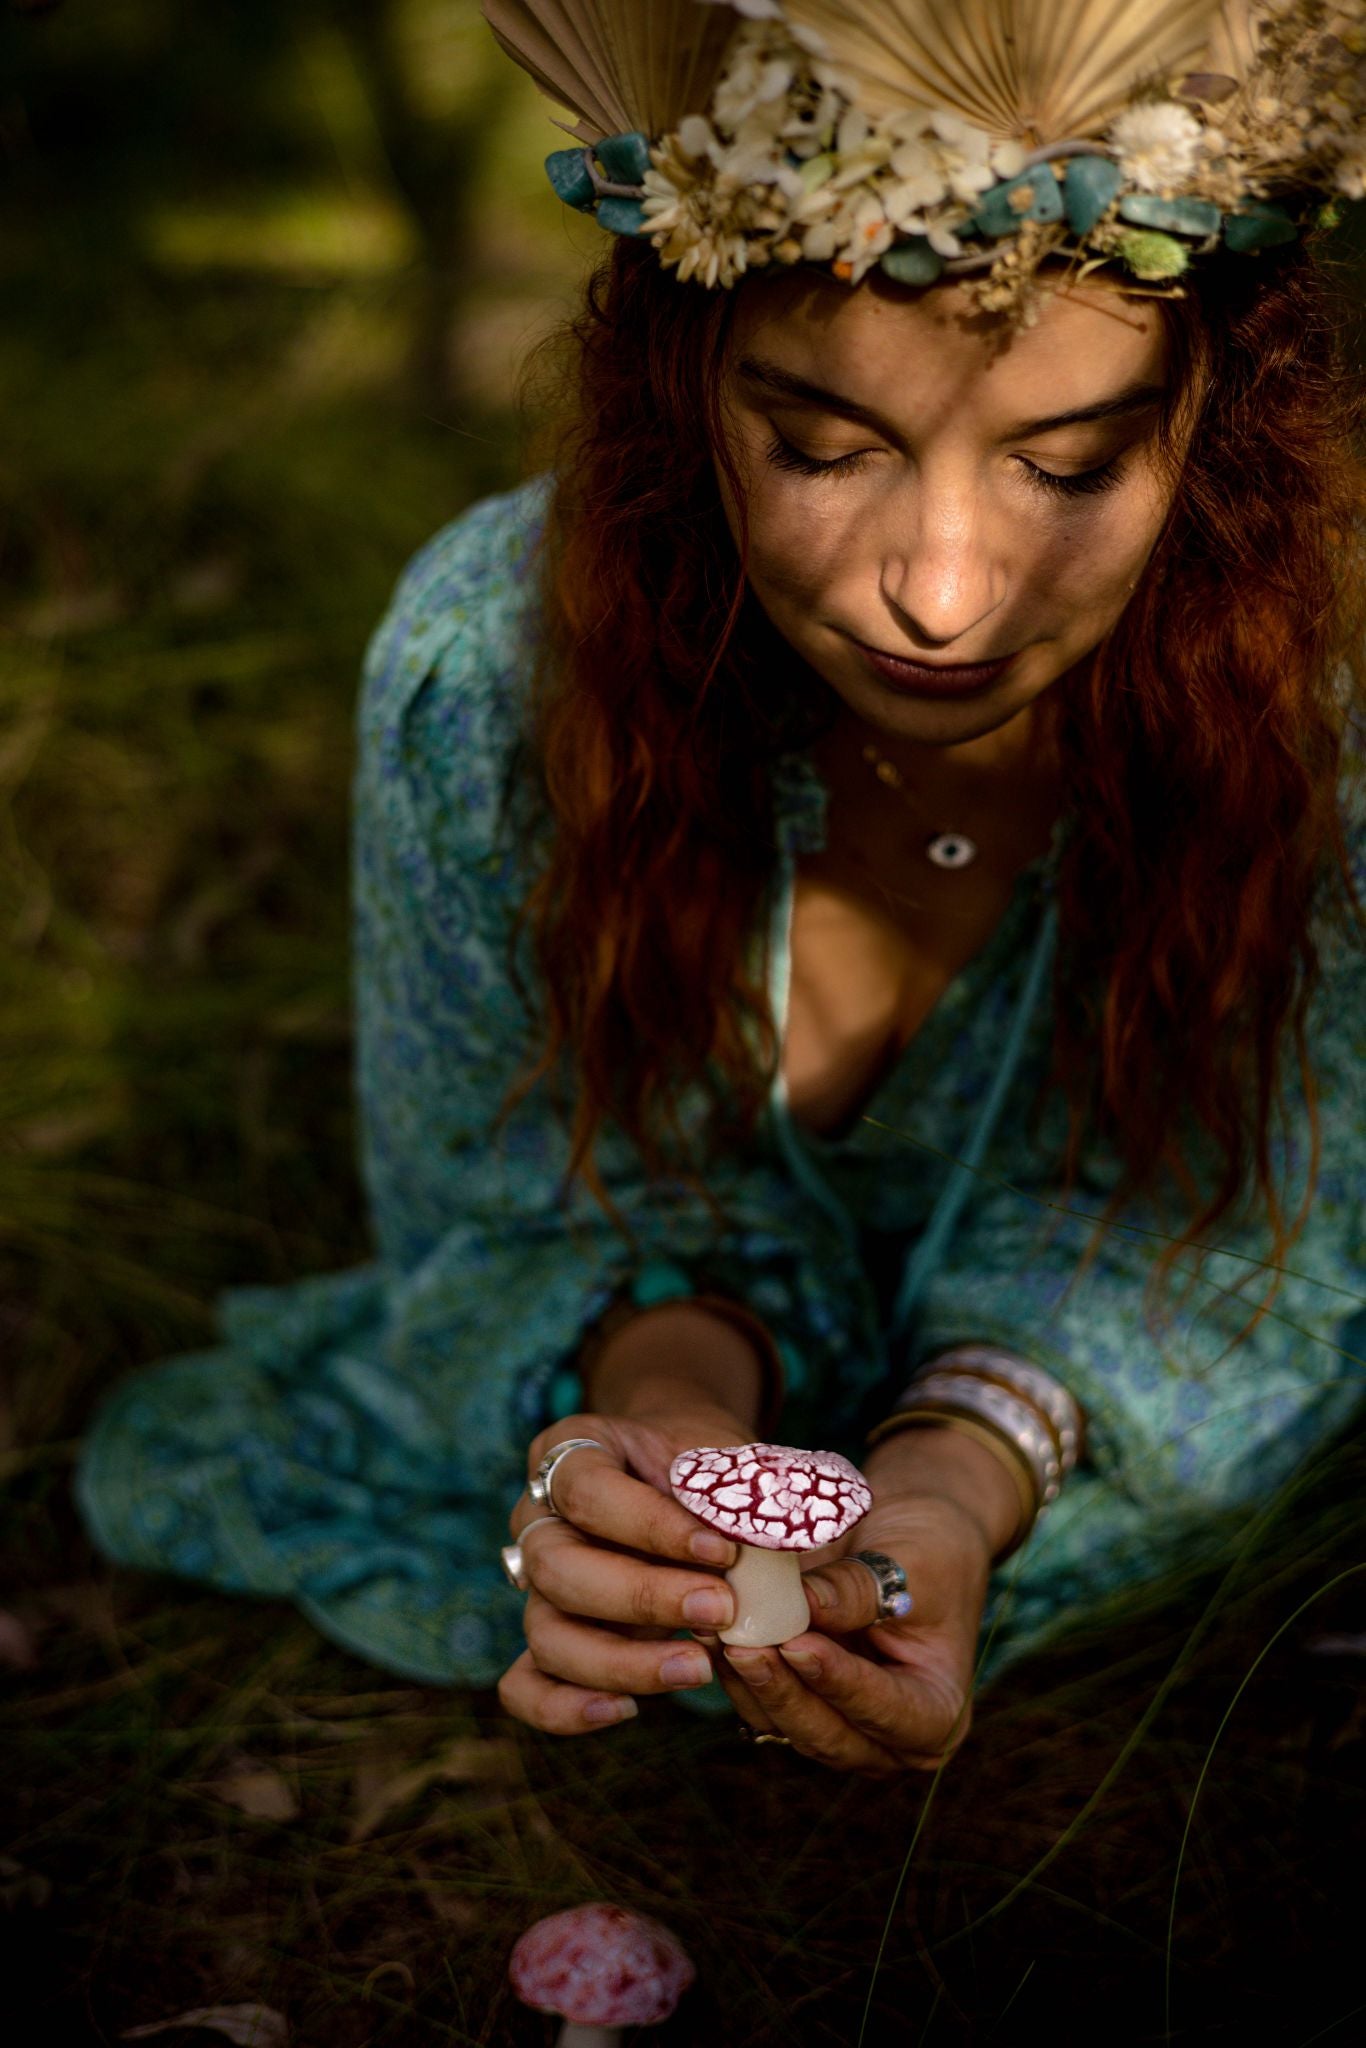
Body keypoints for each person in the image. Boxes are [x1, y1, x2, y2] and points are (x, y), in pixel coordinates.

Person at [76, 0, 1366, 1776]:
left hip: (1086, 1465)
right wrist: (658, 1442)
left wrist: (945, 1487)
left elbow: (1221, 1246)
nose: (941, 592)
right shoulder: (492, 670)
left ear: (1207, 436)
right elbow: (509, 1202)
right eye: (821, 447)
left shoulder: (1305, 728)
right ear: (685, 392)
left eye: (1067, 467)